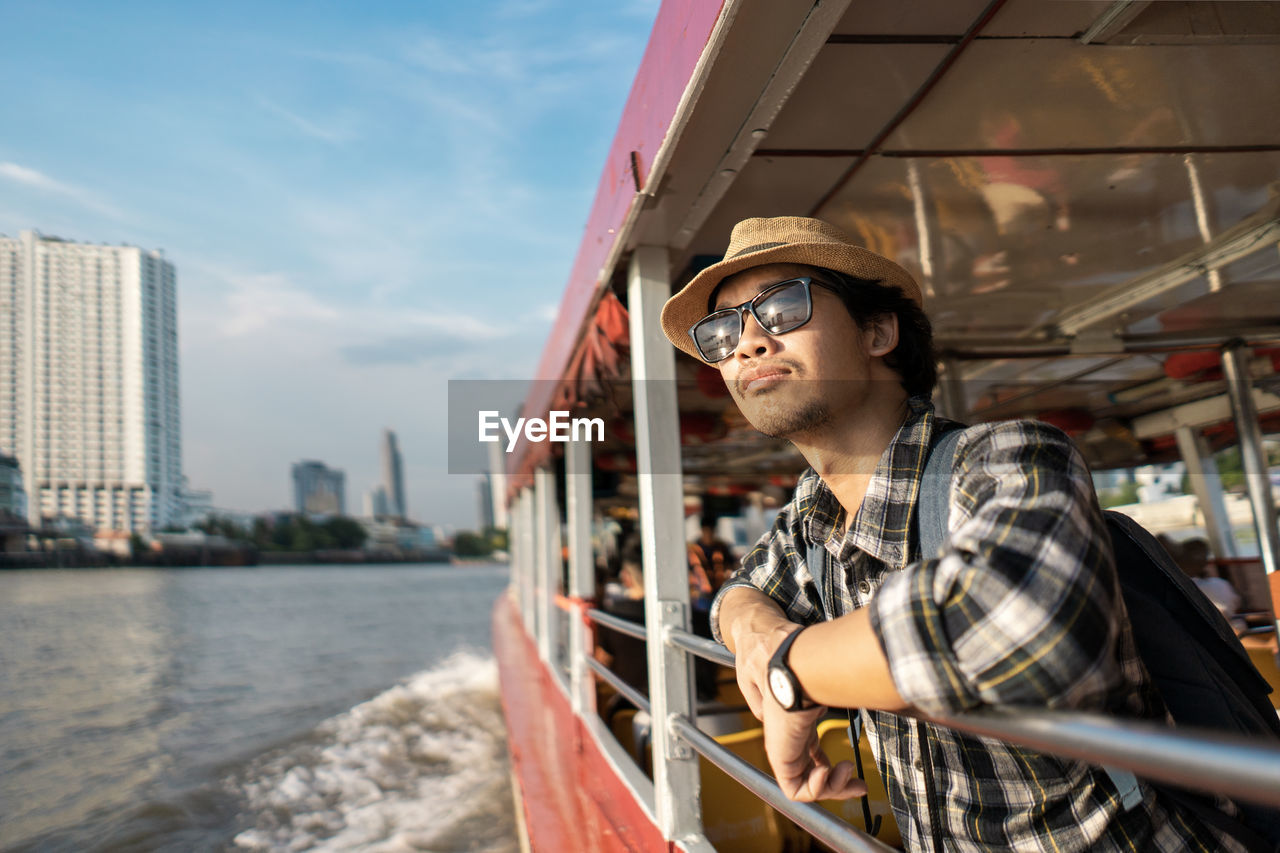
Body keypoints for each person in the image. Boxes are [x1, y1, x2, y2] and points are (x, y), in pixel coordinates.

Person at [658, 216, 1252, 851]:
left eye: (781, 307)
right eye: (720, 333)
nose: (745, 343)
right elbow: (739, 593)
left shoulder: (1005, 457)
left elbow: (1010, 626)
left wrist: (788, 676)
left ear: (877, 331)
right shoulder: (813, 516)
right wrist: (762, 633)